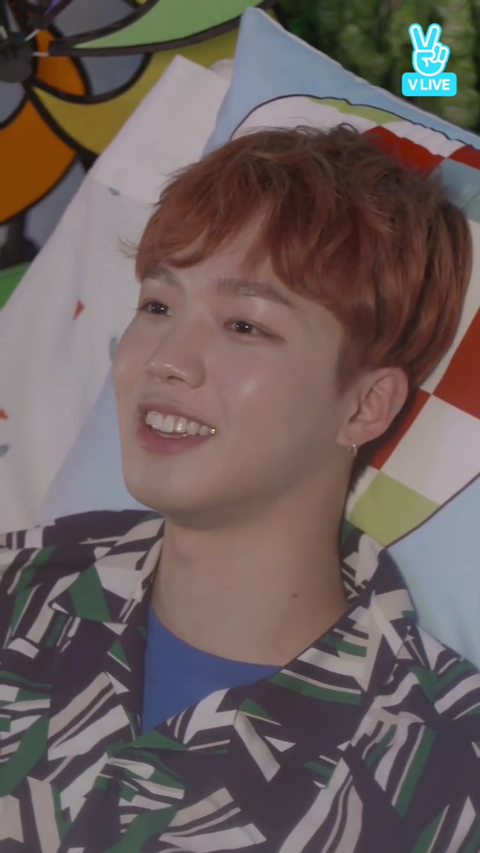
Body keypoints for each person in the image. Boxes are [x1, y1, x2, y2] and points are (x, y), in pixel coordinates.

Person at [1, 123, 479, 853]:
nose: (166, 359)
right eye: (158, 306)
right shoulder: (19, 586)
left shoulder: (440, 770)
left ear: (365, 405)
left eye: (245, 325)